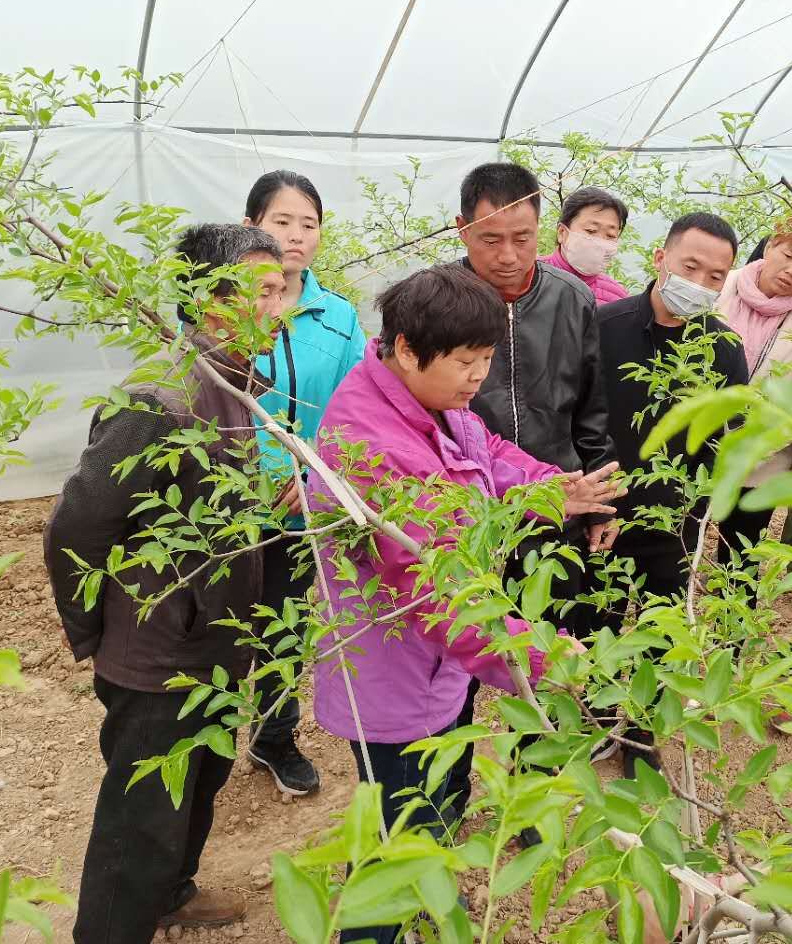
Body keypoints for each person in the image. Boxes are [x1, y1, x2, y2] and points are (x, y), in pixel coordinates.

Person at [309, 266, 618, 944]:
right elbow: (437, 596)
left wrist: (547, 487)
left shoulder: (420, 400)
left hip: (436, 670)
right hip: (397, 679)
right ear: (407, 349)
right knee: (395, 838)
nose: (479, 377)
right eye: (467, 362)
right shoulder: (376, 446)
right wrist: (542, 655)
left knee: (434, 808)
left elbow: (484, 452)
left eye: (486, 359)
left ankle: (423, 901)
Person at [47, 224, 287, 942]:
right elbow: (77, 528)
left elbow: (200, 508)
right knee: (140, 820)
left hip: (209, 643)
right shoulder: (160, 399)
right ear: (208, 301)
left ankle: (171, 893)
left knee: (199, 782)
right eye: (261, 292)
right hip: (158, 658)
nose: (278, 307)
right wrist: (96, 633)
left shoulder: (232, 382)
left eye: (282, 290)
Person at [599, 212, 750, 773]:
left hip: (676, 519)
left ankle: (644, 734)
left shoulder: (722, 348)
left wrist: (700, 506)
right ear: (660, 259)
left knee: (662, 626)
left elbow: (729, 436)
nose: (701, 283)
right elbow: (579, 416)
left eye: (716, 277)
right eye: (691, 267)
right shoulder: (603, 326)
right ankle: (596, 719)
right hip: (603, 510)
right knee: (599, 618)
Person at [241, 170, 366, 797]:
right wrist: (267, 472)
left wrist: (317, 472)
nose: (296, 235)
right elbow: (209, 405)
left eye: (308, 224)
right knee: (220, 625)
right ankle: (200, 735)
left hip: (303, 505)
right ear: (251, 228)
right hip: (231, 502)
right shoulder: (225, 311)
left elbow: (359, 407)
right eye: (281, 221)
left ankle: (273, 737)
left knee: (284, 623)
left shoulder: (338, 316)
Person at [456, 162, 617, 627]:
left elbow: (591, 412)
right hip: (468, 510)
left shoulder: (572, 298)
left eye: (522, 238)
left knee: (551, 639)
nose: (508, 255)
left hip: (557, 504)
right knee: (464, 643)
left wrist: (601, 506)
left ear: (542, 229)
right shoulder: (439, 302)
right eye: (491, 239)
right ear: (463, 229)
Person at [715, 219, 792, 541]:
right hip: (690, 444)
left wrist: (754, 446)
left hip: (759, 463)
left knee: (740, 551)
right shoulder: (720, 286)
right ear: (769, 247)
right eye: (788, 255)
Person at [541, 185, 631, 304]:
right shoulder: (528, 276)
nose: (600, 242)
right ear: (562, 232)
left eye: (610, 235)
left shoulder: (618, 298)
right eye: (591, 230)